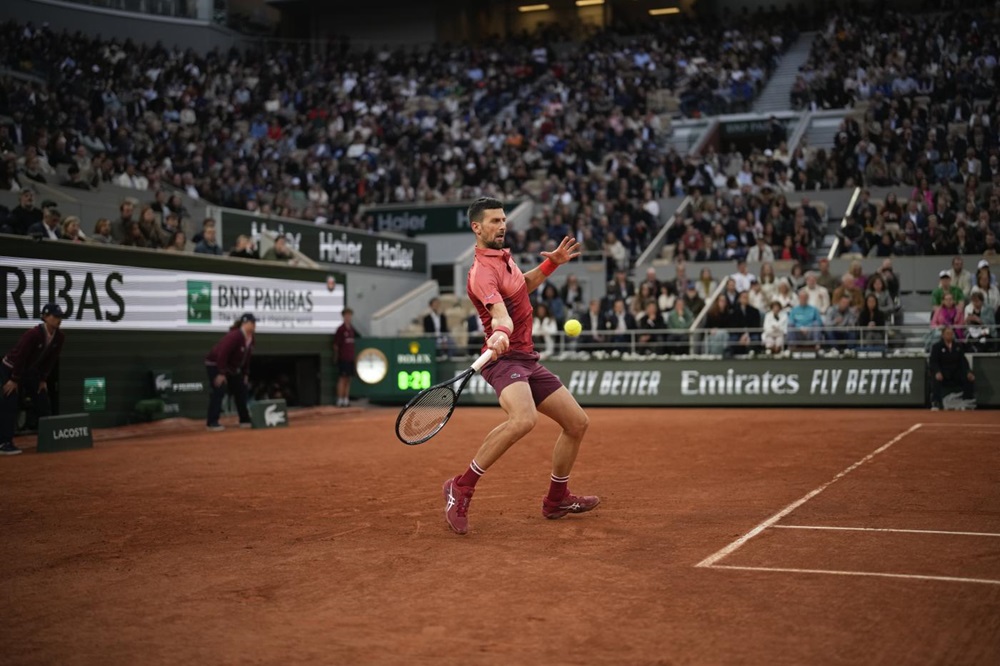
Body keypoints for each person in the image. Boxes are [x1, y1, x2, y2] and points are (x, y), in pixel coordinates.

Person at [444, 197, 597, 536]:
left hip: (526, 356)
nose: (502, 226)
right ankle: (461, 487)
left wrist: (550, 265)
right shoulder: (481, 272)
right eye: (494, 221)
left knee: (577, 423)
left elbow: (520, 289)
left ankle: (557, 499)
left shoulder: (503, 259)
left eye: (503, 220)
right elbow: (500, 314)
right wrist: (500, 331)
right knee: (523, 419)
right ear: (477, 227)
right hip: (503, 359)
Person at [0, 303, 66, 455]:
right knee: (10, 401)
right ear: (45, 317)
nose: (58, 320)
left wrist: (42, 379)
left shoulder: (60, 337)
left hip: (30, 371)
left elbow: (51, 359)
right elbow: (21, 357)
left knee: (42, 399)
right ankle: (4, 443)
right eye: (55, 316)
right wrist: (14, 379)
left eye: (60, 317)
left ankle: (49, 439)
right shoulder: (33, 335)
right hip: (10, 369)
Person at [203, 313, 255, 431]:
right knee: (219, 389)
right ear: (245, 323)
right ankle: (212, 422)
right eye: (252, 323)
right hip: (215, 364)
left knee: (241, 389)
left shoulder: (251, 338)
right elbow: (222, 354)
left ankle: (244, 420)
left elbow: (247, 357)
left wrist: (245, 373)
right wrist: (221, 373)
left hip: (231, 367)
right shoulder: (234, 336)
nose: (254, 325)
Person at [929, 326, 975, 410]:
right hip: (943, 373)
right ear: (943, 335)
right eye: (947, 333)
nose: (950, 335)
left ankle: (967, 402)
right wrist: (937, 372)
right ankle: (936, 402)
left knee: (968, 378)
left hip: (955, 373)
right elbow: (933, 362)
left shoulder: (958, 346)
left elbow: (963, 362)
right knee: (935, 378)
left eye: (951, 334)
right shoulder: (937, 347)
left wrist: (968, 372)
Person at [333, 308, 359, 407]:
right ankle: (339, 400)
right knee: (342, 379)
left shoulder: (352, 330)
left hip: (351, 358)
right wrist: (336, 357)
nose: (348, 317)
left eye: (350, 315)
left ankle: (345, 399)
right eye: (346, 315)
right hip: (343, 358)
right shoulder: (341, 329)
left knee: (348, 379)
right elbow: (335, 345)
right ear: (343, 317)